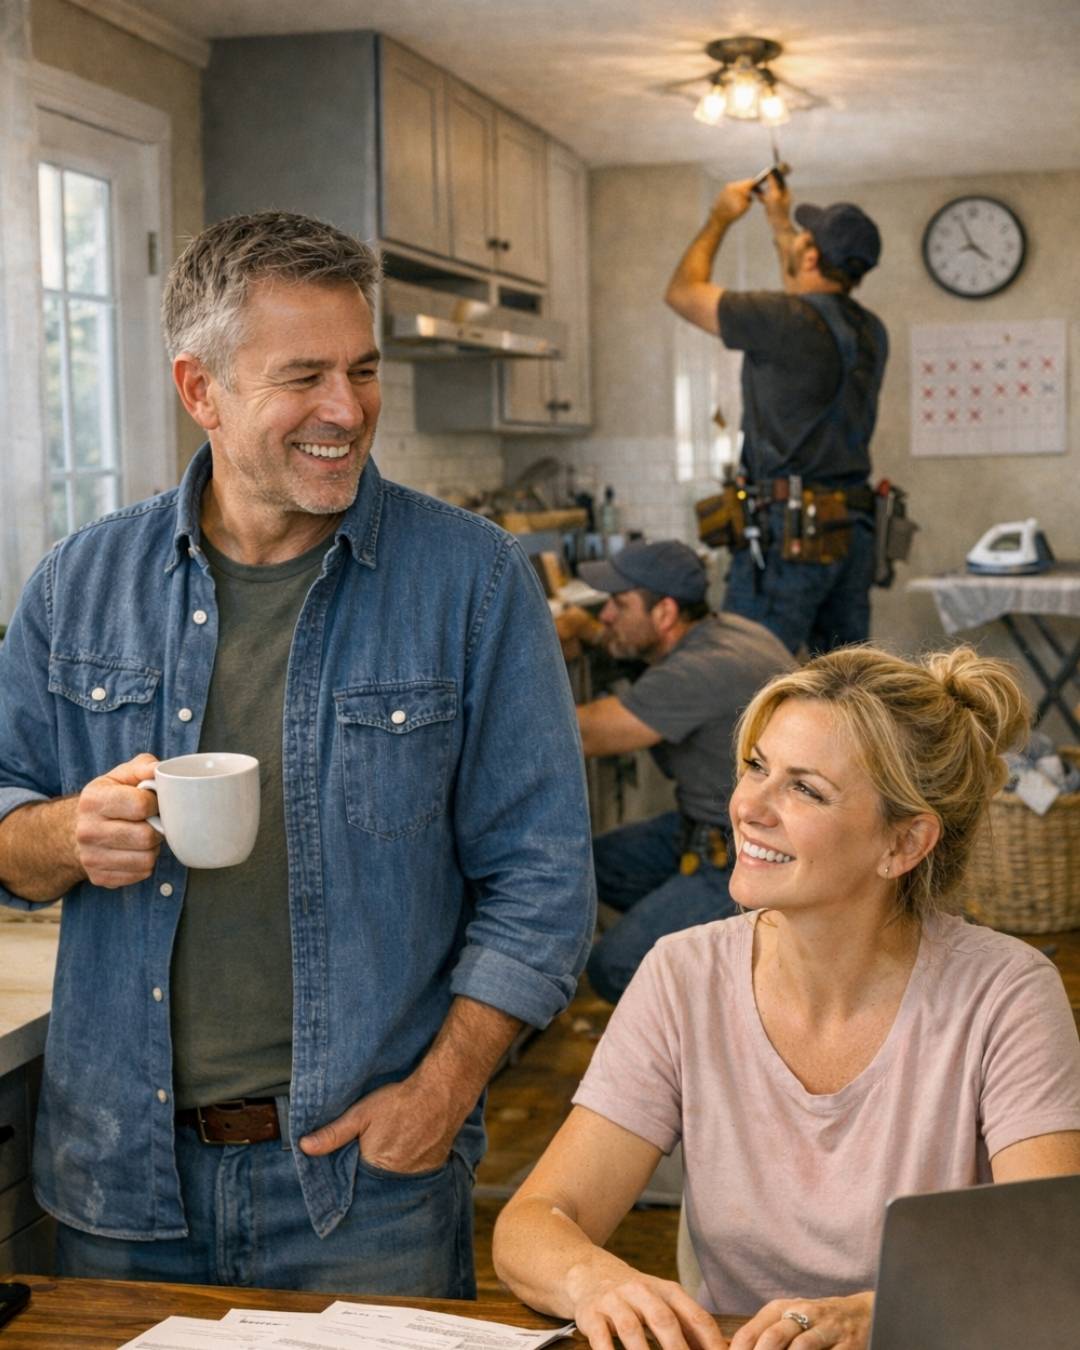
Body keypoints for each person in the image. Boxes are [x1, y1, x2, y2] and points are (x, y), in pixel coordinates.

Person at [0, 211, 595, 1294]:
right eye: (305, 375)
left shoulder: (473, 582)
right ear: (201, 390)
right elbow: (8, 829)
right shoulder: (75, 586)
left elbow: (545, 881)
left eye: (363, 371)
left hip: (364, 1186)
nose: (347, 410)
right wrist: (62, 833)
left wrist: (444, 1093)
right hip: (119, 1182)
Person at [493, 645, 1080, 1349]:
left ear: (904, 844)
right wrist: (594, 1278)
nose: (748, 808)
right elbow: (532, 1224)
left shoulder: (1005, 995)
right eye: (756, 767)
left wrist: (877, 1314)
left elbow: (1049, 1264)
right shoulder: (683, 975)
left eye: (805, 788)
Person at [555, 540, 793, 1003]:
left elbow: (584, 734)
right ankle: (704, 956)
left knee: (617, 966)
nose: (605, 615)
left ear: (664, 613)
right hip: (712, 830)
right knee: (579, 867)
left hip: (748, 855)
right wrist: (585, 630)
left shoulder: (699, 670)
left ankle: (728, 1018)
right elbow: (624, 642)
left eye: (618, 605)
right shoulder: (727, 631)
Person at [664, 176, 889, 656]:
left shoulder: (779, 319)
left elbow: (683, 292)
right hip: (852, 532)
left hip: (789, 540)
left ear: (811, 257)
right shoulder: (872, 331)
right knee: (849, 689)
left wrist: (720, 218)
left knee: (745, 677)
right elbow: (805, 286)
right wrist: (779, 220)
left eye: (804, 239)